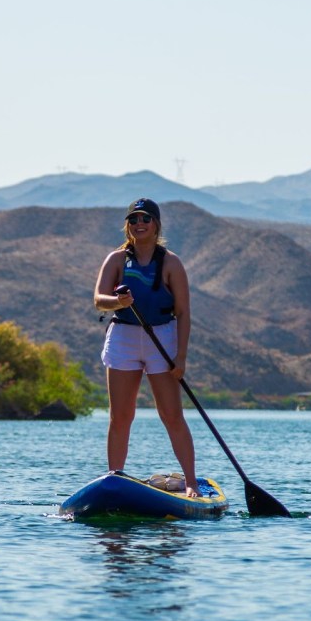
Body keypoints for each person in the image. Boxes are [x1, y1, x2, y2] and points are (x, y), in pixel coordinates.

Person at [94, 198, 200, 497]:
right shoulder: (115, 260)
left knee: (171, 414)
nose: (139, 224)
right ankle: (115, 478)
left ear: (156, 225)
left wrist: (180, 357)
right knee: (121, 416)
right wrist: (118, 302)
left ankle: (190, 482)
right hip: (124, 337)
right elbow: (99, 299)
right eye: (134, 220)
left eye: (146, 219)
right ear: (127, 226)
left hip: (161, 338)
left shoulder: (171, 263)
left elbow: (183, 313)